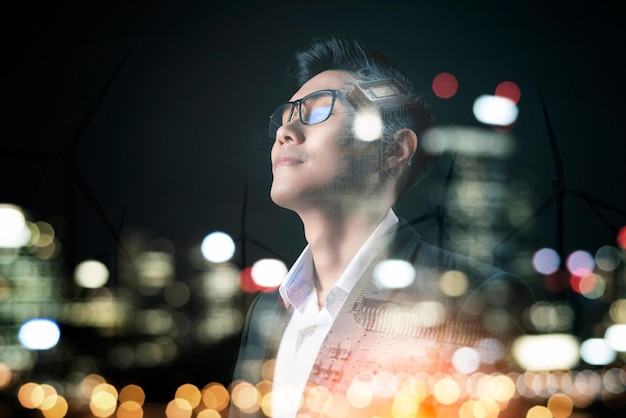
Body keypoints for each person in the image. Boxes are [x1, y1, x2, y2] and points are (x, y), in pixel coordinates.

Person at [228, 34, 534, 418]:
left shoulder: (474, 300)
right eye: (285, 116)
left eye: (318, 110)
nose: (284, 132)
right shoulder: (268, 311)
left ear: (393, 150)